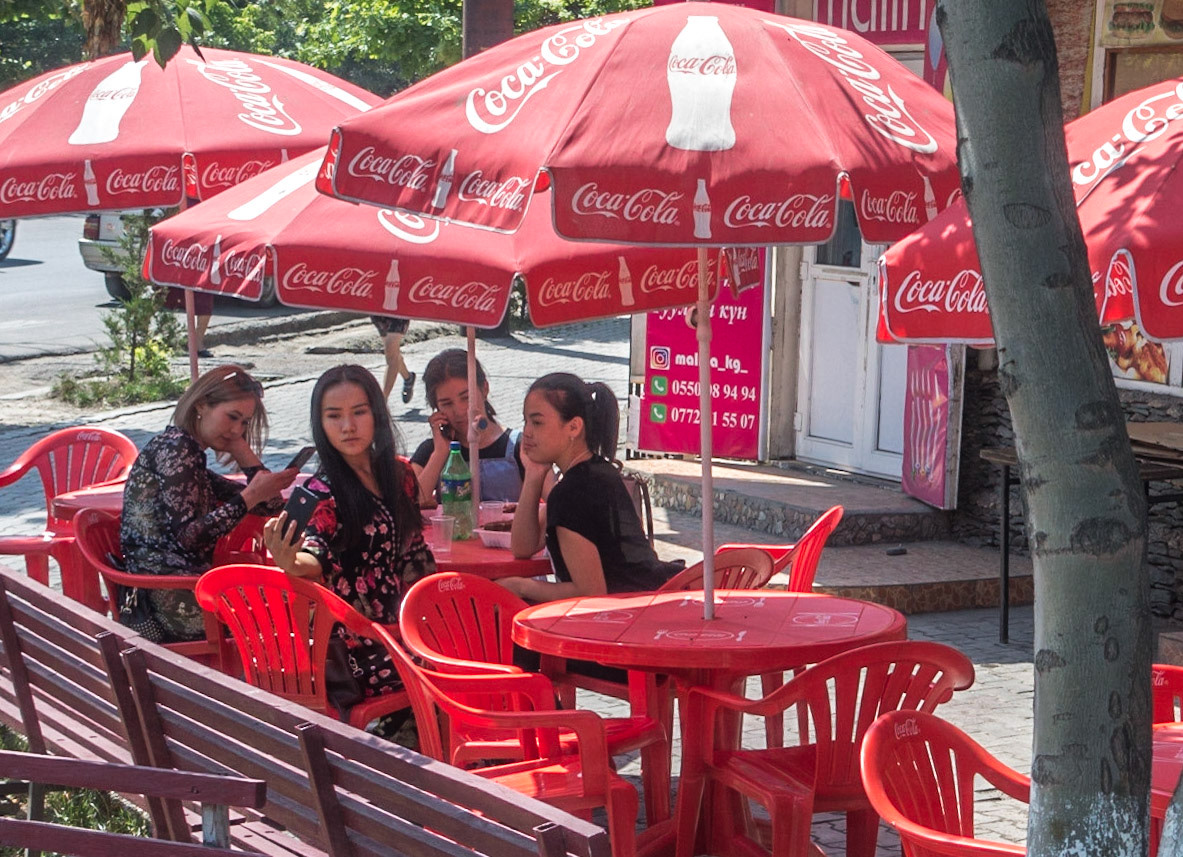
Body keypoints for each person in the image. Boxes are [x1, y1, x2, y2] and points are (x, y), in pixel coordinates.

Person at [263, 365, 435, 724]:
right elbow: (315, 554)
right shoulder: (319, 492)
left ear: (376, 413)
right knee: (453, 674)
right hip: (358, 644)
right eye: (334, 416)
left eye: (359, 412)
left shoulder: (400, 475)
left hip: (409, 627)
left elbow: (417, 558)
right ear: (320, 424)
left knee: (490, 647)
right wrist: (292, 562)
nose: (348, 426)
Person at [120, 365, 296, 641]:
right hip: (170, 600)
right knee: (294, 607)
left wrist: (242, 451)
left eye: (245, 423)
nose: (237, 430)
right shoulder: (177, 449)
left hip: (184, 588)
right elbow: (189, 537)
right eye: (232, 417)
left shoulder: (186, 450)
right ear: (201, 405)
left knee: (295, 600)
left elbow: (269, 506)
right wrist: (249, 496)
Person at [500, 372, 682, 605]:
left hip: (626, 615)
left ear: (574, 427)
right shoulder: (597, 472)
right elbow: (523, 547)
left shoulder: (573, 492)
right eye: (525, 421)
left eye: (537, 422)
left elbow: (590, 593)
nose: (526, 432)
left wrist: (521, 585)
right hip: (647, 599)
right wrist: (534, 476)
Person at [411, 348, 534, 504]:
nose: (459, 410)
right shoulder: (431, 451)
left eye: (466, 398)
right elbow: (411, 505)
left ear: (484, 389)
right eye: (446, 404)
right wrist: (440, 453)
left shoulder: (519, 446)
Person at [371, 315, 415, 403]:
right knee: (393, 353)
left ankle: (383, 401)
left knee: (391, 356)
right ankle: (408, 378)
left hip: (399, 310)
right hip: (379, 310)